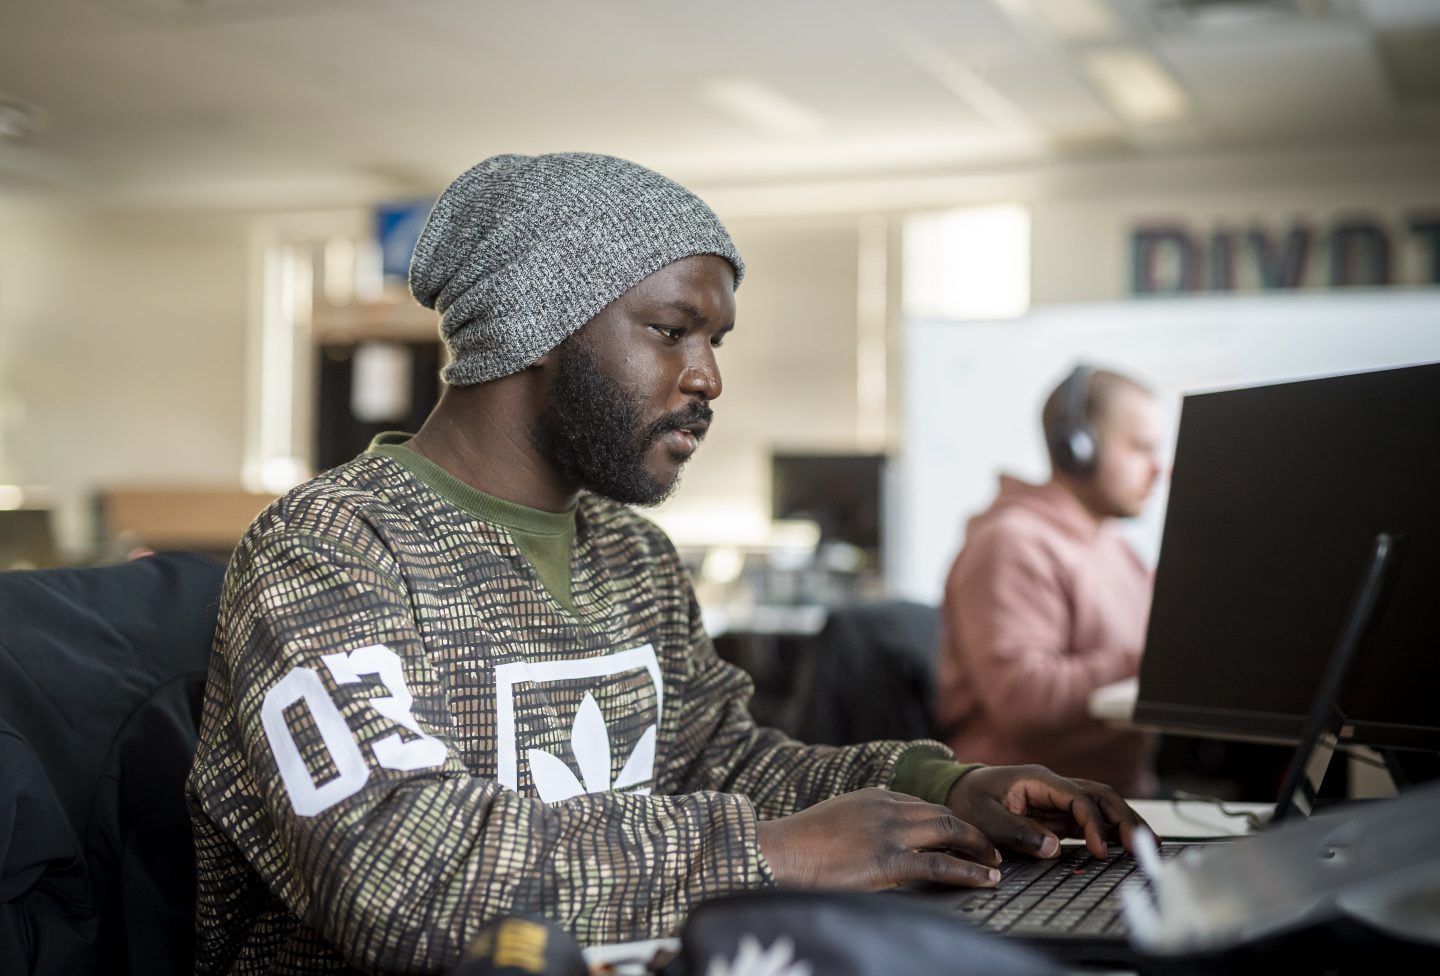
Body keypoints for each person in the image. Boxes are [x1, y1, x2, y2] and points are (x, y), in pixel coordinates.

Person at [186, 153, 1145, 974]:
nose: (709, 377)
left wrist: (935, 786)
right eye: (671, 329)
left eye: (715, 341)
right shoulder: (332, 548)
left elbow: (717, 759)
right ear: (535, 327)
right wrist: (767, 854)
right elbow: (395, 865)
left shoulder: (632, 554)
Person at [935, 366, 1164, 799]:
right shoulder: (1013, 543)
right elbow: (1022, 699)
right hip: (1028, 813)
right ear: (1077, 449)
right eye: (1140, 448)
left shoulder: (1112, 545)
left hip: (1120, 797)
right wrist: (1154, 661)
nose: (1158, 469)